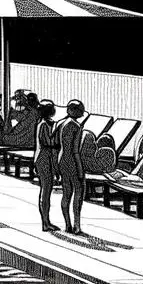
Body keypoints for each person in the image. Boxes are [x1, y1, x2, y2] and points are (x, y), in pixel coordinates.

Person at [57, 99, 88, 234]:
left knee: (66, 193)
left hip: (61, 158)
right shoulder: (76, 126)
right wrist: (80, 169)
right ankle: (77, 225)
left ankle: (67, 224)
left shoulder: (61, 123)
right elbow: (75, 150)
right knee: (78, 191)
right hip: (72, 161)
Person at [33, 100, 61, 231]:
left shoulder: (49, 124)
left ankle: (46, 221)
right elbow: (47, 142)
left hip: (47, 159)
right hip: (44, 159)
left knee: (47, 190)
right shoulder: (43, 124)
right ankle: (45, 222)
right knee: (45, 190)